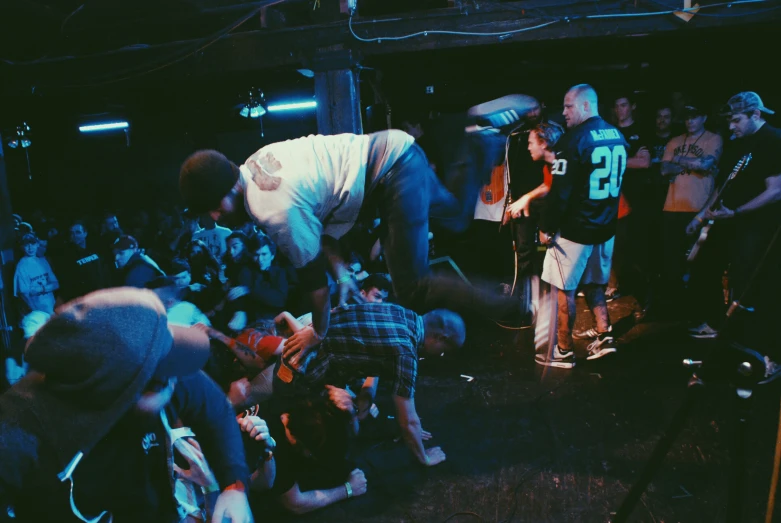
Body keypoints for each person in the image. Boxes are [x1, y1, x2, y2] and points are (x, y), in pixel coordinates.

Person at [178, 123, 527, 372]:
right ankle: (481, 138)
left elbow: (313, 283)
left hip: (390, 176)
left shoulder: (269, 207)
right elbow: (324, 232)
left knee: (412, 286)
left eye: (213, 207)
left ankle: (518, 303)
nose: (215, 216)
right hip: (400, 150)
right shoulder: (256, 162)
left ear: (226, 191)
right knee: (454, 215)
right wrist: (343, 273)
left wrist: (318, 331)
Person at [0, 288, 253, 522]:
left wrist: (234, 486)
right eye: (164, 380)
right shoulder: (17, 434)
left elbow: (215, 408)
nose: (177, 381)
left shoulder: (158, 368)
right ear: (123, 396)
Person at [272, 303, 463, 466]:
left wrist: (367, 396)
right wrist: (425, 458)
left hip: (306, 349)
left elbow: (370, 346)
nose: (441, 355)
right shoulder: (406, 353)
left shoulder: (398, 311)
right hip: (299, 373)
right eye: (445, 350)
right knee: (343, 432)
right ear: (441, 338)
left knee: (361, 408)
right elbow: (409, 421)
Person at [537, 84, 629, 368]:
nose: (563, 112)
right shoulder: (618, 135)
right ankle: (605, 335)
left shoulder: (573, 140)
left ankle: (563, 350)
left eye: (568, 106)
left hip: (576, 230)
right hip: (605, 227)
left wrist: (547, 227)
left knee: (563, 289)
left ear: (586, 106)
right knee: (595, 283)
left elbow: (560, 193)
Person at [691, 92, 781, 378]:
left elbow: (775, 189)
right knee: (719, 277)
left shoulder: (772, 140)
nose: (731, 127)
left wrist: (738, 212)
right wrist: (703, 215)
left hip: (760, 230)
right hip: (734, 226)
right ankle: (732, 341)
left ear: (756, 115)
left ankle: (768, 356)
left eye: (737, 120)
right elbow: (724, 185)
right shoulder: (738, 144)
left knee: (757, 290)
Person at [13, 233, 59, 316]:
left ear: (37, 244)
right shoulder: (21, 267)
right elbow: (24, 294)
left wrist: (40, 289)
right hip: (37, 312)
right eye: (27, 245)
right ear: (22, 247)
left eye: (33, 243)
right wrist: (36, 313)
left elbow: (56, 284)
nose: (30, 248)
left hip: (52, 308)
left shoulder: (43, 261)